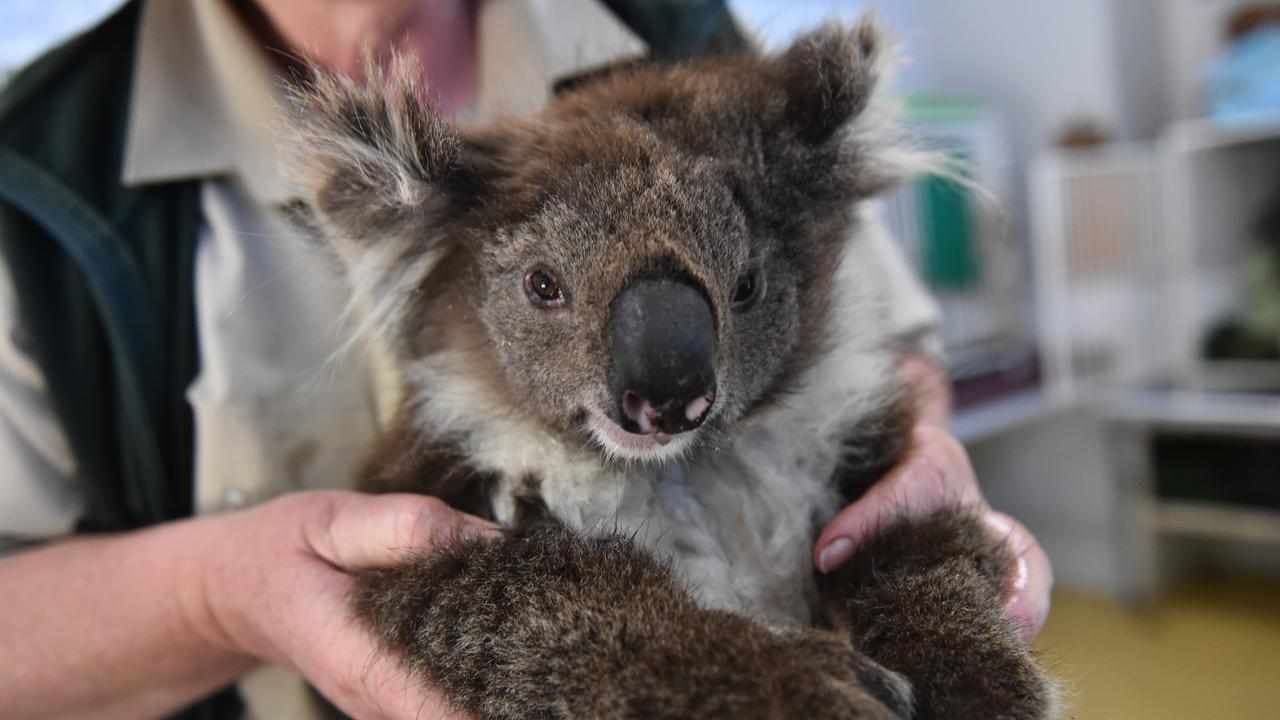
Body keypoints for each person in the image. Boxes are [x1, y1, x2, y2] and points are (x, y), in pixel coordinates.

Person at [0, 1, 1051, 719]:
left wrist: (920, 491)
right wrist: (218, 594)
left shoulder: (667, 22)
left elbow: (888, 351)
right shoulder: (40, 164)